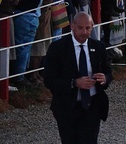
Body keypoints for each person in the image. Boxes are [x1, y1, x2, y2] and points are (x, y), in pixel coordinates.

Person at [43, 12, 113, 144]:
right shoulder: (58, 48)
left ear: (92, 27)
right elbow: (49, 80)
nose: (84, 32)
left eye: (88, 28)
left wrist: (104, 78)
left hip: (92, 106)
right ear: (72, 26)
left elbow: (108, 72)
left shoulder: (98, 47)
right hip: (67, 107)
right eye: (80, 28)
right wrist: (74, 83)